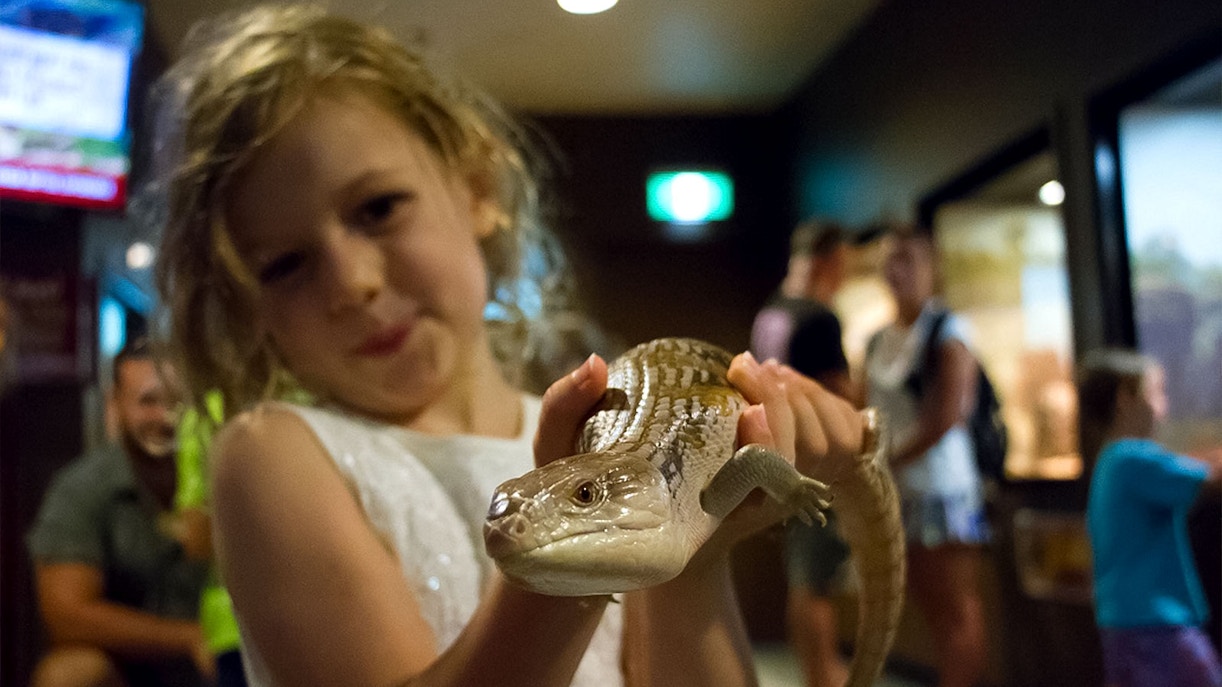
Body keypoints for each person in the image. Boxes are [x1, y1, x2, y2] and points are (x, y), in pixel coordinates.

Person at [148, 6, 873, 686]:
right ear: (246, 306)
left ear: (477, 188)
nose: (353, 284)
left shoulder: (594, 434)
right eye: (284, 264)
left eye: (378, 208)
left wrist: (696, 546)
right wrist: (566, 533)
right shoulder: (270, 452)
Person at [26, 338, 212, 687]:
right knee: (69, 674)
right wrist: (189, 638)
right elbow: (66, 615)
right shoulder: (82, 486)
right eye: (148, 401)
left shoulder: (224, 474)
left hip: (224, 664)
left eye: (176, 401)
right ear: (115, 404)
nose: (165, 417)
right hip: (127, 673)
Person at [863, 224, 989, 687]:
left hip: (943, 488)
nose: (897, 271)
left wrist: (887, 459)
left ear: (931, 268)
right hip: (900, 492)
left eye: (908, 260)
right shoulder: (877, 339)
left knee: (955, 605)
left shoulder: (948, 330)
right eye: (889, 261)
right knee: (927, 605)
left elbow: (949, 415)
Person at [1078, 348, 1222, 687]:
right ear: (1125, 399)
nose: (1164, 407)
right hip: (1156, 620)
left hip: (1122, 621)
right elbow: (1208, 478)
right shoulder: (1132, 458)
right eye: (1156, 393)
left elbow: (1187, 465)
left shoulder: (1111, 461)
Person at [750, 220, 854, 687]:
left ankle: (815, 673)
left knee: (801, 577)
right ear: (832, 259)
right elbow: (840, 394)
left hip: (781, 457)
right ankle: (825, 675)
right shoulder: (819, 317)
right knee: (817, 581)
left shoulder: (772, 311)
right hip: (818, 459)